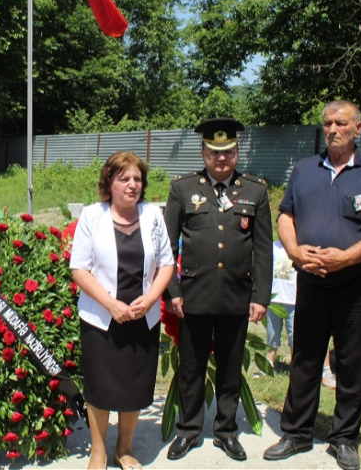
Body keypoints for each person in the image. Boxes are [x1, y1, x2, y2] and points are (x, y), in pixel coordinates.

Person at [263, 101, 361, 470]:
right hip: (312, 283)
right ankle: (296, 433)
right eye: (327, 123)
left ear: (359, 128)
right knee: (305, 359)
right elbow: (286, 216)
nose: (333, 128)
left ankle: (344, 439)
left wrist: (346, 257)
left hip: (360, 287)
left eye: (341, 123)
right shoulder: (304, 170)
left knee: (354, 363)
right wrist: (293, 249)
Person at [164, 117, 273, 462]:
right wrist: (173, 291)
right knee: (191, 368)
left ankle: (227, 432)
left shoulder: (255, 190)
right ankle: (188, 431)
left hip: (236, 295)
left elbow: (264, 249)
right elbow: (167, 245)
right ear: (203, 152)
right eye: (214, 152)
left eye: (227, 152)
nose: (221, 159)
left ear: (237, 152)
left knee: (229, 368)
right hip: (193, 295)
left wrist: (260, 297)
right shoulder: (183, 188)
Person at [70, 151, 175, 470]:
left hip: (143, 319)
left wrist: (151, 298)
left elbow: (167, 263)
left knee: (135, 387)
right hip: (101, 319)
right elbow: (79, 268)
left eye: (137, 179)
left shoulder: (153, 216)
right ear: (109, 182)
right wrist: (111, 304)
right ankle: (98, 451)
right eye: (124, 178)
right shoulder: (91, 216)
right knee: (100, 388)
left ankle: (124, 448)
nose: (132, 185)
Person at [259, 240, 336, 389]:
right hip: (275, 300)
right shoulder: (273, 246)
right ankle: (268, 364)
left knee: (296, 337)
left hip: (294, 299)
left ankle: (300, 369)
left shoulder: (303, 246)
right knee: (272, 333)